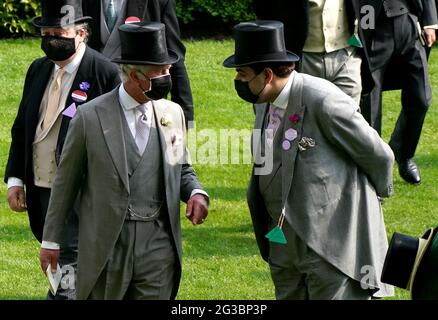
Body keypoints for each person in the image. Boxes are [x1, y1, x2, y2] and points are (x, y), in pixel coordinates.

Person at [223, 20, 394, 299]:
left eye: (242, 73)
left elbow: (377, 154)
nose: (238, 81)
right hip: (281, 243)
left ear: (266, 74)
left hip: (330, 244)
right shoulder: (262, 102)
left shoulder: (323, 100)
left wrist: (372, 202)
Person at [39, 21, 209, 300]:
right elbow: (65, 183)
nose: (168, 76)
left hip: (158, 246)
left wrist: (195, 192)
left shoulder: (173, 113)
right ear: (133, 75)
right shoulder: (89, 117)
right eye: (160, 71)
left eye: (169, 70)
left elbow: (182, 168)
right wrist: (51, 240)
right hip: (108, 246)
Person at [4, 0, 120, 299]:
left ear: (81, 33)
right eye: (46, 33)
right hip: (41, 189)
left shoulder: (103, 72)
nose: (51, 39)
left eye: (59, 32)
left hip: (80, 190)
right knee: (57, 261)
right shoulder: (38, 69)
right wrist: (15, 179)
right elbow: (22, 127)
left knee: (65, 262)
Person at [359, 0, 438, 184]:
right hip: (371, 22)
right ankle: (374, 170)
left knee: (421, 98)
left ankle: (403, 153)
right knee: (371, 103)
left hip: (408, 21)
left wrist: (430, 22)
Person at [82, 0, 195, 127]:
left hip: (140, 95)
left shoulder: (159, 2)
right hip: (90, 94)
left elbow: (174, 56)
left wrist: (186, 118)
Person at [253, 0, 366, 104]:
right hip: (300, 57)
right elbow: (263, 9)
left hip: (346, 55)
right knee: (294, 117)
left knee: (348, 118)